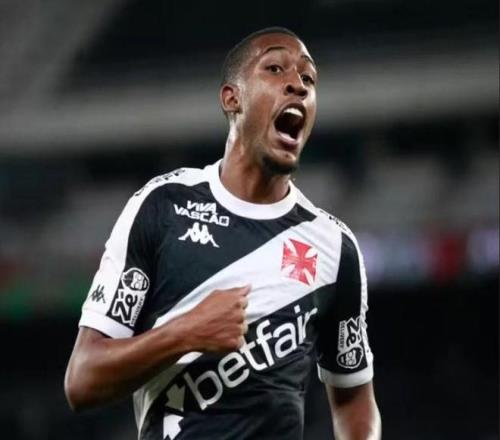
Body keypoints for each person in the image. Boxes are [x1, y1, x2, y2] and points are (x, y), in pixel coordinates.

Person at [64, 27, 381, 440]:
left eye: (308, 78)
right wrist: (184, 333)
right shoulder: (162, 208)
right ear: (232, 98)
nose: (298, 85)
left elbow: (354, 397)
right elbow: (82, 380)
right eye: (275, 68)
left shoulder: (334, 248)